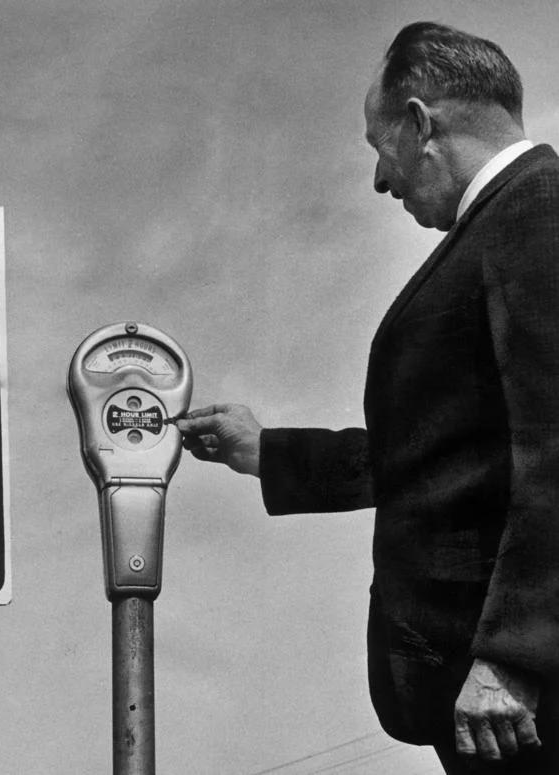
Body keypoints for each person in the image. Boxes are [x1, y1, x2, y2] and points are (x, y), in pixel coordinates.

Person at [176, 22, 559, 775]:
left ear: (420, 124)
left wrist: (514, 657)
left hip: (517, 702)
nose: (382, 180)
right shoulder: (510, 221)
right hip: (487, 701)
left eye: (377, 147)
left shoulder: (537, 218)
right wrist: (271, 452)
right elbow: (451, 454)